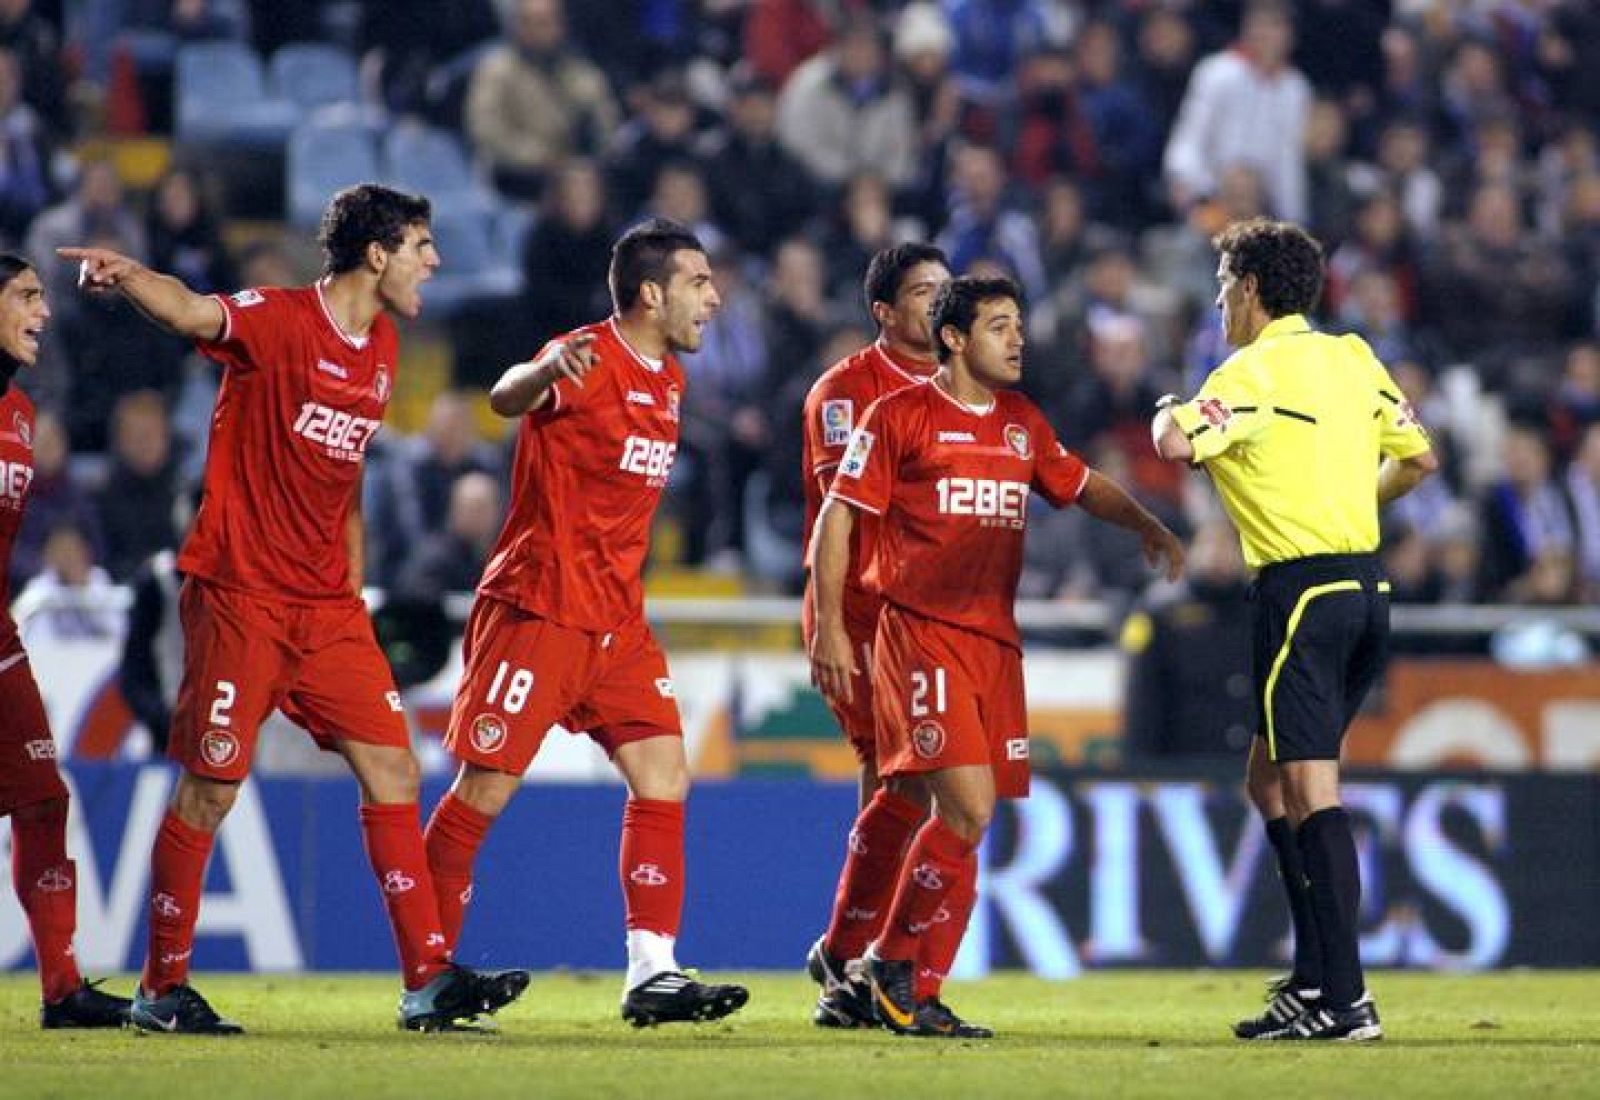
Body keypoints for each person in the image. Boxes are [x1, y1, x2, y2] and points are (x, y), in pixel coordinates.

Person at [61, 184, 531, 1035]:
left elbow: (343, 475)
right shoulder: (279, 320)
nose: (435, 259)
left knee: (393, 768)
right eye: (422, 244)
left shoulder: (384, 346)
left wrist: (349, 575)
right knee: (211, 789)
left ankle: (427, 979)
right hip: (241, 595)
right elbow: (196, 313)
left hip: (327, 609)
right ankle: (161, 990)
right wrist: (132, 276)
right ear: (377, 254)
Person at [810, 275, 1184, 1038]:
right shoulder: (898, 416)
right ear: (954, 337)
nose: (1017, 340)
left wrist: (1146, 522)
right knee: (967, 806)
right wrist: (832, 629)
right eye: (1000, 326)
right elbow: (837, 523)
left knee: (959, 819)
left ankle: (910, 984)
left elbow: (1079, 486)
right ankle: (883, 961)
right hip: (920, 633)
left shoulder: (1021, 422)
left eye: (1019, 325)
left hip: (993, 643)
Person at [422, 219, 750, 1027]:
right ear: (652, 293)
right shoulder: (587, 356)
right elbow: (505, 394)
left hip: (615, 623)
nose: (715, 296)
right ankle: (427, 971)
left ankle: (652, 972)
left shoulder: (668, 379)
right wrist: (539, 374)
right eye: (699, 282)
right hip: (540, 608)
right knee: (486, 787)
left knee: (664, 776)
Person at [1151, 218, 1437, 1041]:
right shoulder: (1353, 357)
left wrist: (1170, 403)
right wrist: (1349, 505)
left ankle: (1347, 1001)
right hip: (1365, 592)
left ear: (1247, 289)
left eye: (1220, 285)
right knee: (1268, 780)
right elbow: (1420, 460)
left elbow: (1173, 443)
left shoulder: (1249, 372)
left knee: (1311, 789)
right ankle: (1313, 983)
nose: (1216, 301)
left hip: (1301, 595)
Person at [799, 242, 949, 1030]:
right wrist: (828, 625)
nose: (938, 301)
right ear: (885, 312)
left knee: (911, 783)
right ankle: (860, 957)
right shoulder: (846, 392)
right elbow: (841, 519)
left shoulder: (965, 384)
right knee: (903, 780)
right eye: (923, 291)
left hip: (929, 615)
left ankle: (855, 956)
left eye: (945, 289)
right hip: (861, 611)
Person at [0, 252, 131, 1029]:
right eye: (23, 297)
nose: (43, 313)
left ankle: (62, 988)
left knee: (45, 801)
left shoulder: (19, 415)